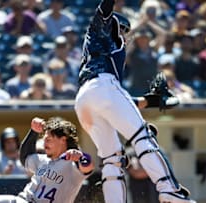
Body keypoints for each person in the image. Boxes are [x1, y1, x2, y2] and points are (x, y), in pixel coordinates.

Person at [74, 1, 195, 203]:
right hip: (103, 86)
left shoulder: (102, 51)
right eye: (122, 29)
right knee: (143, 137)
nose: (124, 34)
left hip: (85, 99)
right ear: (114, 24)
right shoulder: (100, 29)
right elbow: (104, 9)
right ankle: (168, 189)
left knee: (112, 160)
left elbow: (112, 103)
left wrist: (148, 101)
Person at [0, 117, 94, 203]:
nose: (45, 143)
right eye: (44, 139)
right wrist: (33, 132)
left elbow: (87, 167)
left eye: (48, 140)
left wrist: (82, 157)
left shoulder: (71, 165)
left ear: (63, 140)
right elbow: (25, 156)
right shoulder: (42, 159)